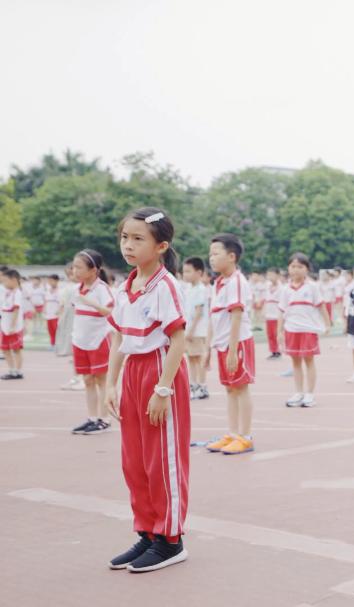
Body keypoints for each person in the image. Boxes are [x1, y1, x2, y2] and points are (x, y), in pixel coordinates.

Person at [103, 207, 190, 572]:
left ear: (160, 246)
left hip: (159, 371)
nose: (129, 245)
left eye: (139, 239)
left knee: (162, 461)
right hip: (132, 373)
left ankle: (171, 539)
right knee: (135, 461)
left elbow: (178, 338)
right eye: (125, 237)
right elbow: (119, 336)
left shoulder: (165, 286)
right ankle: (147, 533)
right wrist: (111, 382)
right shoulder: (126, 286)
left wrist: (163, 389)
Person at [204, 233, 257, 454]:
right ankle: (233, 433)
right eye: (210, 254)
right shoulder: (219, 283)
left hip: (238, 343)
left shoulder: (236, 281)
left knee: (241, 388)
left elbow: (236, 316)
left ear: (232, 256)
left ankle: (245, 436)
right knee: (229, 389)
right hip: (223, 344)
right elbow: (214, 317)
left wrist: (234, 351)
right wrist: (209, 347)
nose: (211, 258)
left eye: (216, 254)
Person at [70, 250, 115, 434]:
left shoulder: (101, 288)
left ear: (93, 270)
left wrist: (91, 303)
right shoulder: (77, 288)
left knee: (101, 380)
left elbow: (109, 311)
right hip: (80, 340)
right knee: (88, 380)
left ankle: (104, 419)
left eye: (79, 267)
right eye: (74, 267)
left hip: (98, 340)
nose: (75, 270)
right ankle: (92, 417)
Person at [278, 253, 330, 407]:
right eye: (293, 266)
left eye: (300, 267)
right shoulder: (285, 289)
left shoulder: (312, 287)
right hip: (291, 329)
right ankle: (298, 392)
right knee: (295, 362)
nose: (296, 270)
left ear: (306, 269)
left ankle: (309, 394)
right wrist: (279, 331)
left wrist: (327, 324)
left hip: (308, 329)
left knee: (309, 361)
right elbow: (281, 311)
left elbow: (321, 306)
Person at [181, 257, 210, 400]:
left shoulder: (200, 289)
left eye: (188, 271)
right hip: (189, 330)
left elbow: (199, 312)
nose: (185, 274)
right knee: (191, 358)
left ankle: (202, 385)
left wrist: (191, 330)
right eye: (184, 271)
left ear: (199, 272)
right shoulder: (189, 288)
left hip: (197, 331)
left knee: (198, 358)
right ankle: (193, 384)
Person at [1, 268, 28, 380]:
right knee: (5, 349)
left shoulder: (17, 293)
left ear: (13, 280)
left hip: (14, 327)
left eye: (6, 281)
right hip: (4, 325)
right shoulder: (7, 292)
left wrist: (12, 325)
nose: (4, 283)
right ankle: (11, 370)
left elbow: (16, 311)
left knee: (16, 349)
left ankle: (18, 371)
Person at [264, 268, 283, 359]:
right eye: (269, 275)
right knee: (270, 334)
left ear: (278, 275)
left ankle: (279, 350)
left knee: (276, 333)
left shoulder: (282, 287)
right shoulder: (267, 286)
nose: (270, 277)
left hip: (277, 314)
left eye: (272, 275)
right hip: (269, 314)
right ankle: (273, 351)